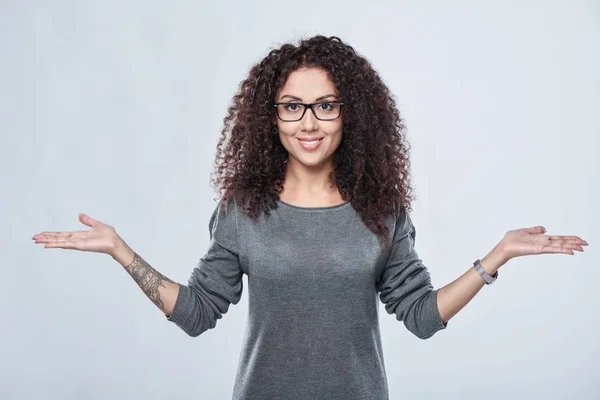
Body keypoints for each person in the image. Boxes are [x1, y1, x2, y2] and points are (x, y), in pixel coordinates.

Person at [31, 35, 588, 400]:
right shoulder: (242, 211)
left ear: (350, 114)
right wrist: (121, 251)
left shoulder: (381, 212)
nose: (308, 122)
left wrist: (498, 256)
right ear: (271, 117)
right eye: (292, 106)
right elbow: (198, 314)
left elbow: (421, 317)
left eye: (326, 104)